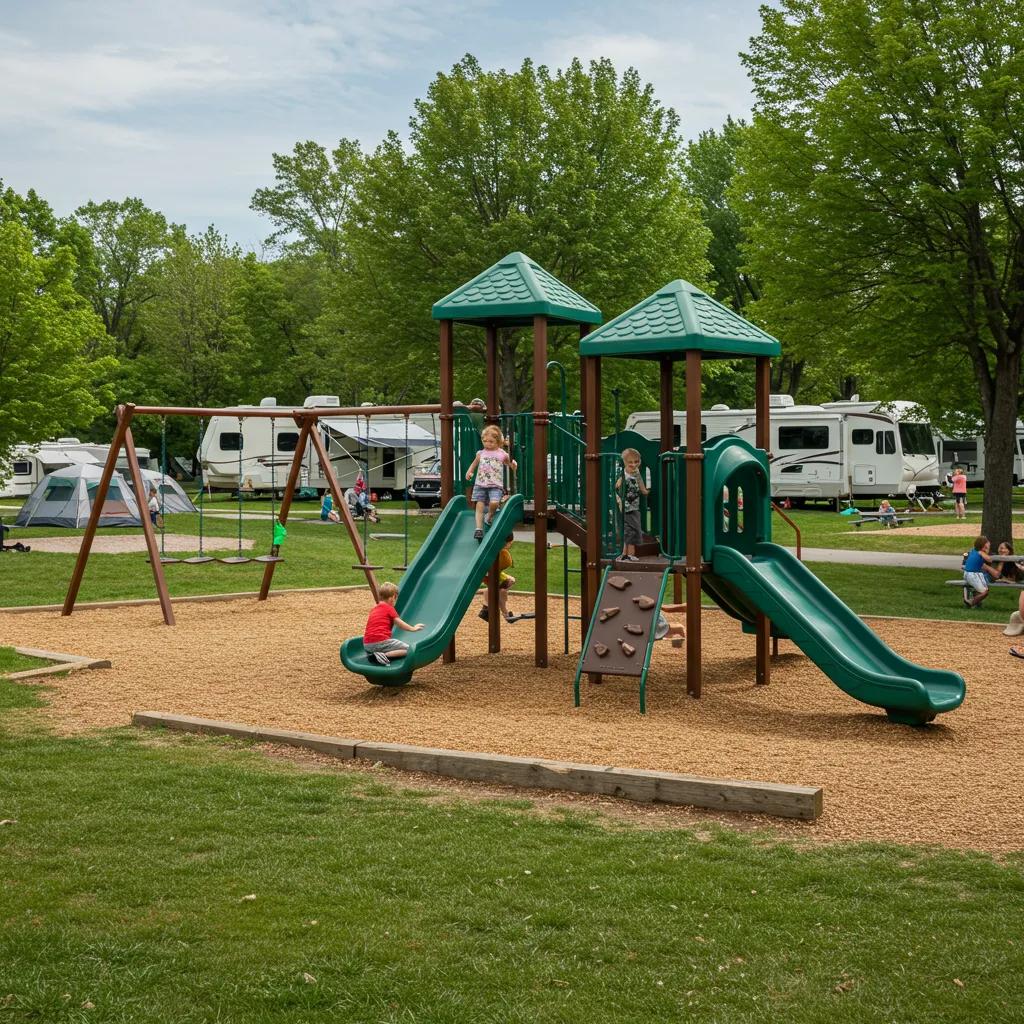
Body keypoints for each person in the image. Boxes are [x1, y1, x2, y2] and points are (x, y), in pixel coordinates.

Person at [465, 425, 516, 540]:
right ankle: (478, 529)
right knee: (479, 505)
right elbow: (474, 464)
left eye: (491, 442)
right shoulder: (480, 453)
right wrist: (469, 472)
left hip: (495, 485)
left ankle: (489, 515)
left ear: (498, 442)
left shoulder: (502, 454)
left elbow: (509, 464)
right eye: (485, 441)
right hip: (480, 484)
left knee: (494, 503)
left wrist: (514, 465)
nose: (487, 444)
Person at [362, 581, 424, 666]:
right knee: (409, 650)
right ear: (393, 597)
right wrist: (413, 628)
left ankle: (375, 654)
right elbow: (399, 623)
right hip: (380, 643)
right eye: (396, 598)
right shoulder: (389, 608)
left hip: (367, 645)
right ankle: (383, 656)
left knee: (387, 645)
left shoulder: (375, 608)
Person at [615, 448, 648, 561]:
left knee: (632, 530)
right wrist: (619, 501)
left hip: (634, 506)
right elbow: (616, 489)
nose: (634, 465)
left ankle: (627, 554)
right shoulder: (623, 475)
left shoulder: (636, 473)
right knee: (631, 530)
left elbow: (642, 487)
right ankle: (628, 554)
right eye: (630, 463)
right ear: (624, 462)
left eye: (636, 462)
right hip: (626, 507)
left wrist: (646, 491)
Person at [479, 535, 516, 622]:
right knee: (500, 591)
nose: (511, 544)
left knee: (509, 582)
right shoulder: (499, 551)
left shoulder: (499, 550)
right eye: (510, 543)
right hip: (489, 573)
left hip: (492, 572)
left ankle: (486, 608)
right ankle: (505, 614)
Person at [963, 535, 997, 608]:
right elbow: (989, 560)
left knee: (981, 589)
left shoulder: (972, 551)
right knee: (985, 592)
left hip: (966, 573)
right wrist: (986, 551)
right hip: (974, 574)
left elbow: (966, 556)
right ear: (983, 545)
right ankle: (971, 602)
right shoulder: (980, 552)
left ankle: (975, 602)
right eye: (987, 545)